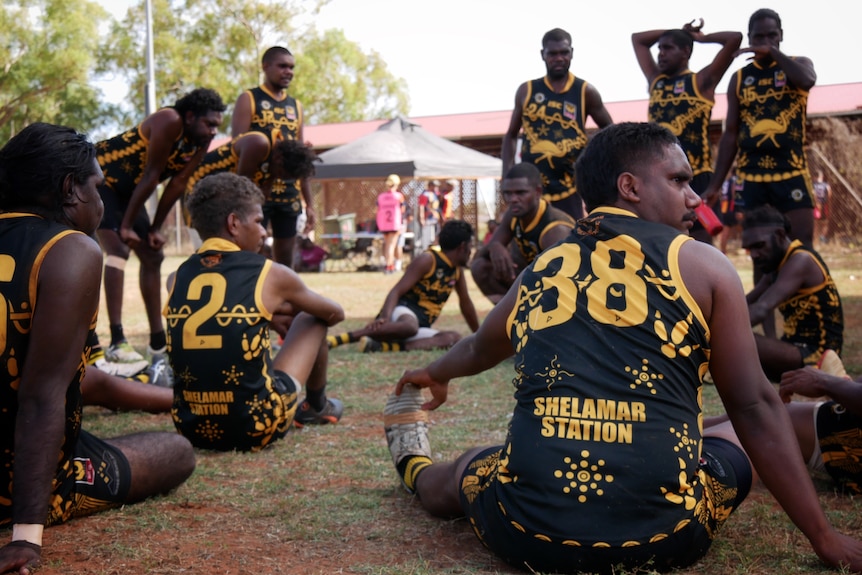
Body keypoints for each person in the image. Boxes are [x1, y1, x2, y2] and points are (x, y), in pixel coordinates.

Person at [382, 122, 862, 574]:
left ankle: (414, 467)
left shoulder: (543, 268)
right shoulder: (706, 267)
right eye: (679, 181)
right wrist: (825, 538)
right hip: (665, 535)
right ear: (630, 187)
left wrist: (435, 373)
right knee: (737, 446)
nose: (695, 198)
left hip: (526, 532)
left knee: (474, 464)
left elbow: (479, 348)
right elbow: (755, 406)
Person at [0, 123, 196, 574]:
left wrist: (170, 399)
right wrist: (25, 534)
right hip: (21, 479)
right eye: (97, 188)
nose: (102, 203)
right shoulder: (70, 249)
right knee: (176, 453)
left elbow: (78, 377)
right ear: (70, 190)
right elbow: (41, 396)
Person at [165, 172, 345, 452]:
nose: (264, 232)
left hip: (191, 428)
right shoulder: (271, 273)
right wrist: (287, 306)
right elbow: (335, 313)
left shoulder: (176, 277)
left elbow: (213, 315)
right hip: (256, 426)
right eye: (260, 222)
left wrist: (267, 315)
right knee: (312, 317)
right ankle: (316, 406)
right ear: (234, 223)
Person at [95, 88, 226, 365]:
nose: (214, 131)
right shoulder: (169, 120)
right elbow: (152, 175)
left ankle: (157, 344)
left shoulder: (200, 141)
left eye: (217, 126)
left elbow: (177, 184)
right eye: (210, 123)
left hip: (129, 193)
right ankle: (117, 341)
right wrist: (127, 226)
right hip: (99, 181)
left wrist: (154, 228)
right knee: (118, 249)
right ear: (190, 116)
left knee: (153, 255)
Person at [703, 8, 818, 247]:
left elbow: (807, 81)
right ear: (749, 38)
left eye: (771, 36)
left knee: (801, 246)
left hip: (791, 171)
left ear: (781, 36)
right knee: (761, 249)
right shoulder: (740, 78)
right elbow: (731, 133)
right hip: (751, 176)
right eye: (758, 37)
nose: (765, 42)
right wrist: (715, 185)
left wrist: (774, 54)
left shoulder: (798, 65)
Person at [632, 19, 742, 244]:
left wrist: (698, 38)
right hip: (660, 178)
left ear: (686, 52)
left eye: (668, 48)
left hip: (696, 178)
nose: (661, 53)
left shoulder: (701, 82)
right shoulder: (656, 81)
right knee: (661, 244)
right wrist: (676, 32)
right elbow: (638, 40)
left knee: (699, 245)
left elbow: (734, 38)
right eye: (660, 48)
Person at [502, 28, 613, 220]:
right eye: (553, 53)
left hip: (570, 188)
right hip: (532, 188)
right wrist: (506, 176)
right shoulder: (526, 90)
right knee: (528, 243)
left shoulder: (585, 91)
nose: (559, 58)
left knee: (570, 241)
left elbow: (611, 131)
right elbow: (511, 135)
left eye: (564, 52)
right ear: (543, 55)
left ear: (572, 53)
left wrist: (591, 155)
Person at [327, 220, 479, 353]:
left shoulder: (456, 271)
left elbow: (466, 304)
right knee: (409, 327)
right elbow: (396, 291)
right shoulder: (428, 259)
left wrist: (479, 335)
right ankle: (340, 339)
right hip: (403, 312)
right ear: (462, 247)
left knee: (453, 338)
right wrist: (385, 318)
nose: (470, 252)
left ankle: (383, 347)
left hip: (420, 325)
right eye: (470, 247)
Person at [232, 46, 314, 268]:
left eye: (291, 67)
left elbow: (301, 161)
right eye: (282, 66)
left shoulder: (296, 106)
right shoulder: (249, 99)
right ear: (265, 66)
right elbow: (236, 147)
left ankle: (285, 301)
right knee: (251, 253)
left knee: (286, 257)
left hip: (288, 193)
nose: (288, 71)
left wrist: (310, 204)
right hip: (257, 190)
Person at [742, 205, 843, 381]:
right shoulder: (776, 265)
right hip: (792, 347)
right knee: (734, 358)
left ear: (780, 235)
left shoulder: (800, 260)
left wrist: (716, 330)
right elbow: (745, 302)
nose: (754, 255)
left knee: (737, 340)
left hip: (819, 354)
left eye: (759, 246)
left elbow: (761, 308)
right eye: (750, 249)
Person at [180, 136, 319, 248]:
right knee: (207, 246)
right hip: (198, 186)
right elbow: (241, 192)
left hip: (221, 193)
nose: (280, 179)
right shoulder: (258, 143)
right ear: (278, 159)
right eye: (281, 174)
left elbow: (259, 198)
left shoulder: (273, 166)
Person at [470, 163, 574, 303]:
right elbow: (487, 249)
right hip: (532, 282)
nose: (513, 199)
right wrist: (496, 246)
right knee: (480, 266)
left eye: (520, 192)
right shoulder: (514, 214)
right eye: (508, 193)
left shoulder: (555, 230)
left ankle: (516, 314)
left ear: (537, 192)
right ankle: (511, 316)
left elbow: (563, 283)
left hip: (562, 294)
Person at [376, 174, 405, 274]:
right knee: (391, 245)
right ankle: (389, 266)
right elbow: (403, 209)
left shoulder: (381, 197)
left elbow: (377, 209)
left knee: (387, 244)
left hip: (383, 224)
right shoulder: (399, 196)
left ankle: (388, 264)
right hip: (394, 224)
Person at [417, 180, 441, 249]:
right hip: (428, 219)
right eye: (435, 186)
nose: (436, 188)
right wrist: (422, 218)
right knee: (427, 238)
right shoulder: (425, 194)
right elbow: (421, 206)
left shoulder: (434, 194)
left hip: (435, 219)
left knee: (435, 236)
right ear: (430, 186)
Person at [813, 169, 832, 244]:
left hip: (817, 205)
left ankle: (815, 238)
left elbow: (813, 193)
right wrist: (828, 201)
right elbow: (830, 193)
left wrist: (816, 202)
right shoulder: (826, 185)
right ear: (822, 177)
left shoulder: (813, 185)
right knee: (825, 222)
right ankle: (822, 238)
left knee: (816, 223)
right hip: (824, 204)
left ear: (815, 177)